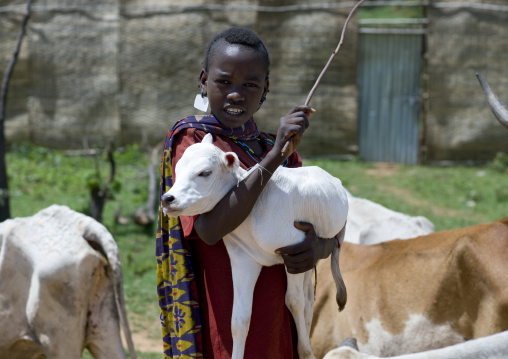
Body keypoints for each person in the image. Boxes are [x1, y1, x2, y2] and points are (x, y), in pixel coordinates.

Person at [156, 26, 337, 359]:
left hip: (282, 319)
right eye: (224, 82)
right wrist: (274, 158)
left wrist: (320, 247)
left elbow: (319, 218)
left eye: (250, 85)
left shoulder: (277, 147)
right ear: (203, 81)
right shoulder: (194, 143)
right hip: (226, 325)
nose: (236, 94)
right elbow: (210, 230)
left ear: (265, 89)